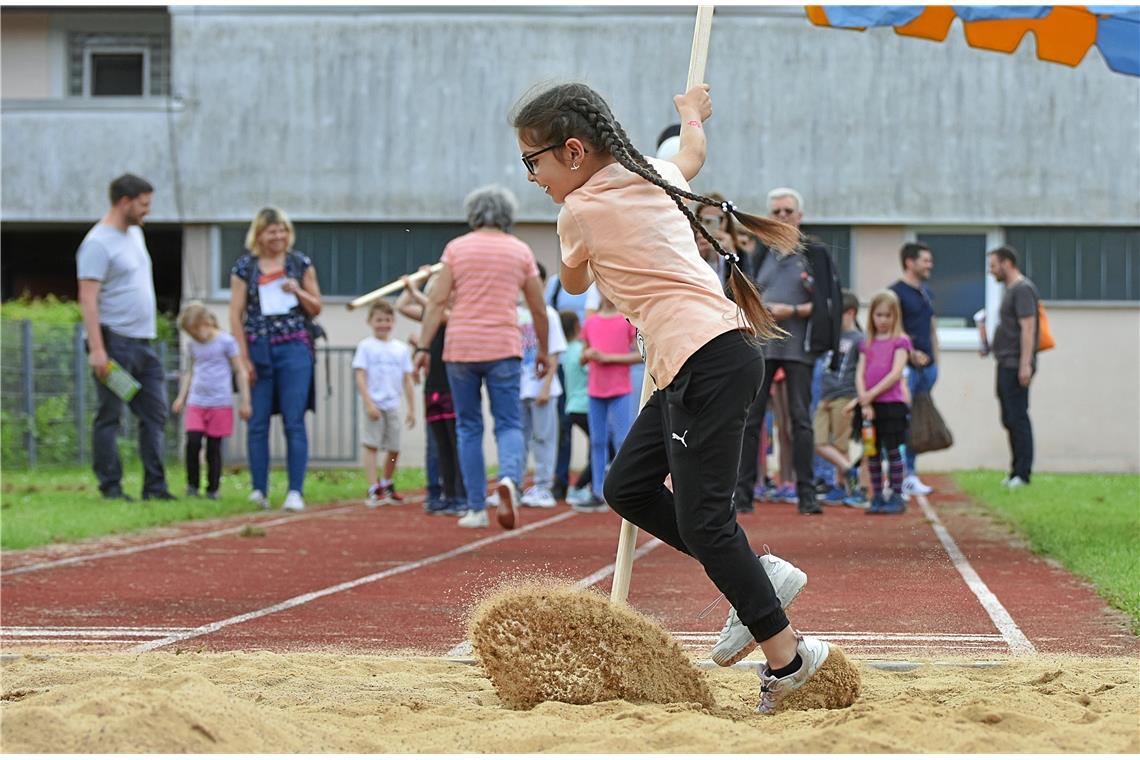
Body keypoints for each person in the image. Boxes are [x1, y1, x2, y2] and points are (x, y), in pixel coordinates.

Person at [512, 80, 829, 713]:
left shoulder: (575, 212)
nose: (533, 177)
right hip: (693, 361)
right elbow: (692, 155)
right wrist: (690, 113)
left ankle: (789, 659)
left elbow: (572, 285)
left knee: (704, 521)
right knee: (627, 488)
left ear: (573, 152)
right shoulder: (652, 171)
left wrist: (570, 236)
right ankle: (757, 579)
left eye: (533, 163)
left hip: (704, 358)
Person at [413, 185, 549, 530]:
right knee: (509, 423)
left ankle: (474, 507)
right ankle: (508, 480)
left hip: (460, 348)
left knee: (468, 426)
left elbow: (436, 302)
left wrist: (422, 348)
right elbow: (537, 308)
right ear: (507, 215)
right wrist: (544, 350)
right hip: (503, 347)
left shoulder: (456, 249)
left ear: (473, 214)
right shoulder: (520, 251)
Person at [76, 173, 175, 502]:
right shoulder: (97, 243)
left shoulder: (135, 235)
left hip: (143, 344)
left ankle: (155, 487)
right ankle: (111, 487)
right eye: (144, 204)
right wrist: (97, 349)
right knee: (111, 415)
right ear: (125, 202)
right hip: (114, 343)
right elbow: (88, 298)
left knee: (154, 412)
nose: (147, 210)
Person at [733, 187, 824, 516]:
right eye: (776, 212)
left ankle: (807, 495)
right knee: (751, 420)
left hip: (799, 348)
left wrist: (795, 311)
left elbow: (827, 303)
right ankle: (742, 495)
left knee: (800, 421)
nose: (782, 217)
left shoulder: (813, 254)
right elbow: (745, 293)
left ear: (799, 217)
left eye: (788, 212)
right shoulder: (759, 254)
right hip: (762, 348)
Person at [229, 207, 322, 512]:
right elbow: (235, 314)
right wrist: (243, 358)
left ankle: (295, 491)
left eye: (282, 229)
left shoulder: (300, 263)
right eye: (272, 230)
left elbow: (316, 306)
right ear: (259, 234)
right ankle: (259, 489)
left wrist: (297, 291)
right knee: (257, 422)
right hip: (259, 347)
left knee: (294, 420)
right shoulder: (245, 267)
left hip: (294, 348)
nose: (278, 236)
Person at [397, 266, 467, 515]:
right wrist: (420, 281)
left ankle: (462, 495)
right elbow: (402, 307)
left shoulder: (457, 313)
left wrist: (415, 292)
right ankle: (448, 495)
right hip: (433, 385)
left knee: (455, 441)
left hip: (453, 384)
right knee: (441, 445)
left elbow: (438, 311)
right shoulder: (430, 314)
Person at [171, 303, 251, 499]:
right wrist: (181, 397)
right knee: (193, 442)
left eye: (196, 331)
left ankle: (213, 489)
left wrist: (245, 401)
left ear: (205, 322)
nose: (195, 337)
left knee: (214, 447)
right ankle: (192, 486)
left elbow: (240, 371)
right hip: (197, 401)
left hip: (220, 402)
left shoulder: (226, 342)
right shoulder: (193, 346)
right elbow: (190, 372)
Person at [847, 290, 912, 514]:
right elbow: (860, 373)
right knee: (871, 452)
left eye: (888, 315)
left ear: (896, 316)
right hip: (869, 409)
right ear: (872, 316)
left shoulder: (901, 342)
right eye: (878, 315)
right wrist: (864, 403)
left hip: (890, 407)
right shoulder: (867, 343)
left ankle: (895, 494)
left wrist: (869, 395)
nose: (883, 320)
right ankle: (876, 496)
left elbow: (895, 374)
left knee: (893, 451)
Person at [980, 245, 1040, 489]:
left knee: (1017, 417)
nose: (990, 271)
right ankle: (1015, 470)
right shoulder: (1009, 291)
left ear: (1006, 263)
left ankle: (1022, 474)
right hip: (1005, 362)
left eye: (993, 265)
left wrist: (1025, 364)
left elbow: (1028, 327)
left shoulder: (1023, 290)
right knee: (1009, 417)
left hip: (1016, 364)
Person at [576, 290, 639, 511]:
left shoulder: (626, 321)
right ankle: (597, 490)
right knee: (597, 441)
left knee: (622, 441)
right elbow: (582, 357)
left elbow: (641, 355)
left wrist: (609, 358)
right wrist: (589, 355)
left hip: (620, 389)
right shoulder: (591, 322)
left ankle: (624, 489)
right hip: (595, 390)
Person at [353, 300, 416, 507]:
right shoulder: (366, 347)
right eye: (379, 320)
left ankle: (387, 480)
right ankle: (373, 486)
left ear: (394, 322)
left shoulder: (400, 349)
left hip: (392, 404)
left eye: (387, 320)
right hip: (374, 404)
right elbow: (360, 376)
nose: (383, 324)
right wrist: (369, 403)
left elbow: (407, 379)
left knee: (394, 447)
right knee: (371, 445)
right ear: (370, 321)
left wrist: (412, 408)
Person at [889, 242, 938, 497]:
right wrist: (910, 353)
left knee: (917, 421)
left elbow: (931, 326)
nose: (930, 265)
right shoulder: (895, 293)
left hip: (928, 369)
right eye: (925, 260)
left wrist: (936, 360)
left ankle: (911, 473)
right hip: (905, 369)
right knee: (901, 421)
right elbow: (894, 327)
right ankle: (900, 474)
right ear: (910, 262)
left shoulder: (926, 292)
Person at [518, 262, 568, 508]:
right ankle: (515, 484)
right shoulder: (514, 314)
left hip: (541, 387)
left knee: (544, 437)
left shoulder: (548, 314)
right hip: (518, 386)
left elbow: (555, 353)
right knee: (519, 437)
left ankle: (543, 486)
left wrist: (547, 386)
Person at [813, 291, 863, 505]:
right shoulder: (832, 338)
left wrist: (859, 398)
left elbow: (863, 371)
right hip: (825, 395)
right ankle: (850, 471)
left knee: (841, 445)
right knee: (817, 441)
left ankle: (845, 488)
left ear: (850, 313)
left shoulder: (859, 340)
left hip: (845, 396)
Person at [559, 309, 596, 505]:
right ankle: (579, 486)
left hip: (572, 405)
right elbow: (592, 370)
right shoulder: (580, 351)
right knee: (605, 446)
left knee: (597, 446)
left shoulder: (565, 352)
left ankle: (585, 485)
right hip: (585, 405)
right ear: (576, 327)